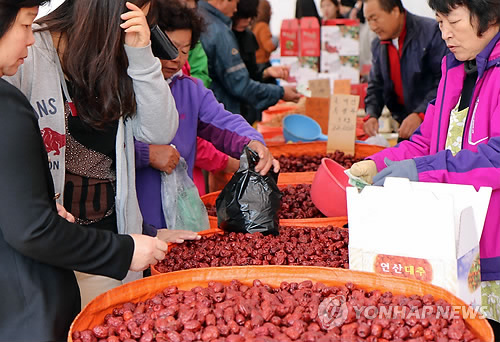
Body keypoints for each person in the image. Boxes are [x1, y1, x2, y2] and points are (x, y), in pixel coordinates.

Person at [0, 1, 168, 340]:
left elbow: (159, 132)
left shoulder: (119, 59)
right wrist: (37, 206)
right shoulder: (25, 57)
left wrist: (142, 56)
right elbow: (27, 222)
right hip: (47, 260)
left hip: (111, 249)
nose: (28, 38)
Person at [349, 0, 500, 335]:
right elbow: (425, 141)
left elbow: (496, 156)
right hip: (451, 243)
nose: (444, 34)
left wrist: (424, 170)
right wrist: (376, 164)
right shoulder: (456, 69)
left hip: (493, 249)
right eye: (439, 22)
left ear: (490, 16)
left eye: (454, 21)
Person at [136, 0, 278, 232]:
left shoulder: (189, 90)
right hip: (134, 219)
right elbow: (104, 145)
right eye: (170, 48)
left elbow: (222, 121)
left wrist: (252, 142)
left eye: (185, 50)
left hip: (178, 215)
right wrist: (145, 153)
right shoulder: (124, 88)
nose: (177, 59)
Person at [198, 0, 300, 120]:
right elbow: (240, 84)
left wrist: (266, 72)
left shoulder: (200, 17)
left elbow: (249, 73)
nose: (235, 8)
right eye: (235, 3)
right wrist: (280, 92)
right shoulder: (219, 32)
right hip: (223, 113)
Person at [362, 0, 447, 139]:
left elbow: (445, 81)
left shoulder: (431, 33)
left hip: (435, 125)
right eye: (368, 21)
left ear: (395, 11)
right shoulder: (378, 44)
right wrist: (371, 114)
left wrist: (420, 114)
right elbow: (376, 85)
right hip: (405, 125)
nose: (372, 26)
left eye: (375, 19)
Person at [232, 0, 290, 122]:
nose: (247, 20)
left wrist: (266, 72)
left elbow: (252, 73)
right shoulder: (224, 36)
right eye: (244, 16)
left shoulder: (248, 35)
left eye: (250, 17)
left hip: (250, 103)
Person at [253, 0, 278, 69]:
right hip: (262, 63)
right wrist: (279, 37)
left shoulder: (255, 25)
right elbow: (269, 46)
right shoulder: (263, 26)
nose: (272, 12)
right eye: (270, 10)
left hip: (256, 62)